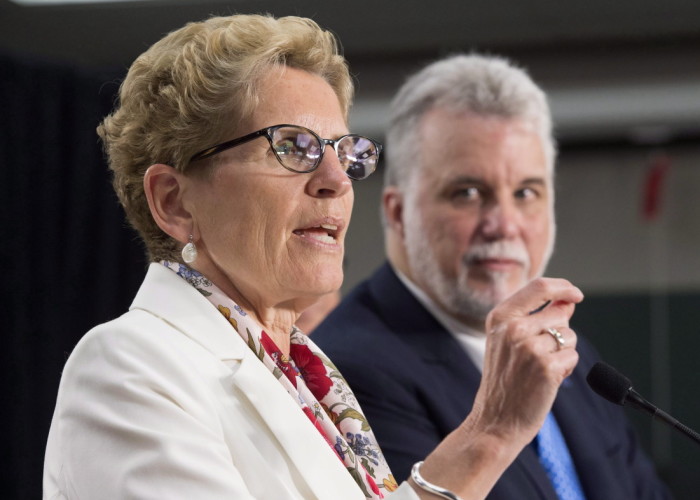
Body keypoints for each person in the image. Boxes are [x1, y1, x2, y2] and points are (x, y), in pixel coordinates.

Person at [43, 16, 586, 500]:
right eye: (293, 147)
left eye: (345, 153)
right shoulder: (126, 367)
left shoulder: (311, 381)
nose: (336, 181)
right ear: (175, 201)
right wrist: (487, 435)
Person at [313, 54, 672, 499]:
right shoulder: (343, 374)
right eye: (467, 193)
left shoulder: (562, 354)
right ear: (398, 212)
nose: (504, 224)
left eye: (526, 192)